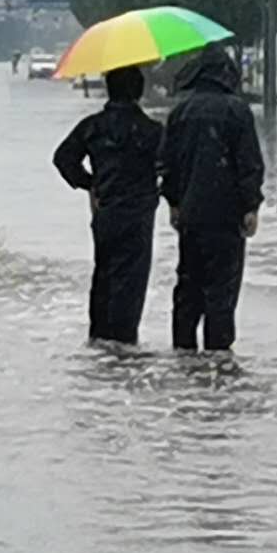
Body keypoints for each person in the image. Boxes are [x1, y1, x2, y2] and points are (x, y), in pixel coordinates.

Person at [160, 43, 266, 353]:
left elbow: (168, 163)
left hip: (190, 217)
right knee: (221, 292)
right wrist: (251, 207)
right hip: (226, 217)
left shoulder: (180, 112)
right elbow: (249, 163)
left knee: (188, 288)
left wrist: (174, 202)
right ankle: (218, 360)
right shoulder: (237, 111)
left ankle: (184, 355)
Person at [53, 65, 163, 347]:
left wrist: (90, 184)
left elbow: (63, 158)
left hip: (106, 211)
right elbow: (170, 167)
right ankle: (124, 345)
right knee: (132, 282)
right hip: (139, 215)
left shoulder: (92, 126)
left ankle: (99, 339)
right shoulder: (152, 130)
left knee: (104, 274)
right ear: (139, 91)